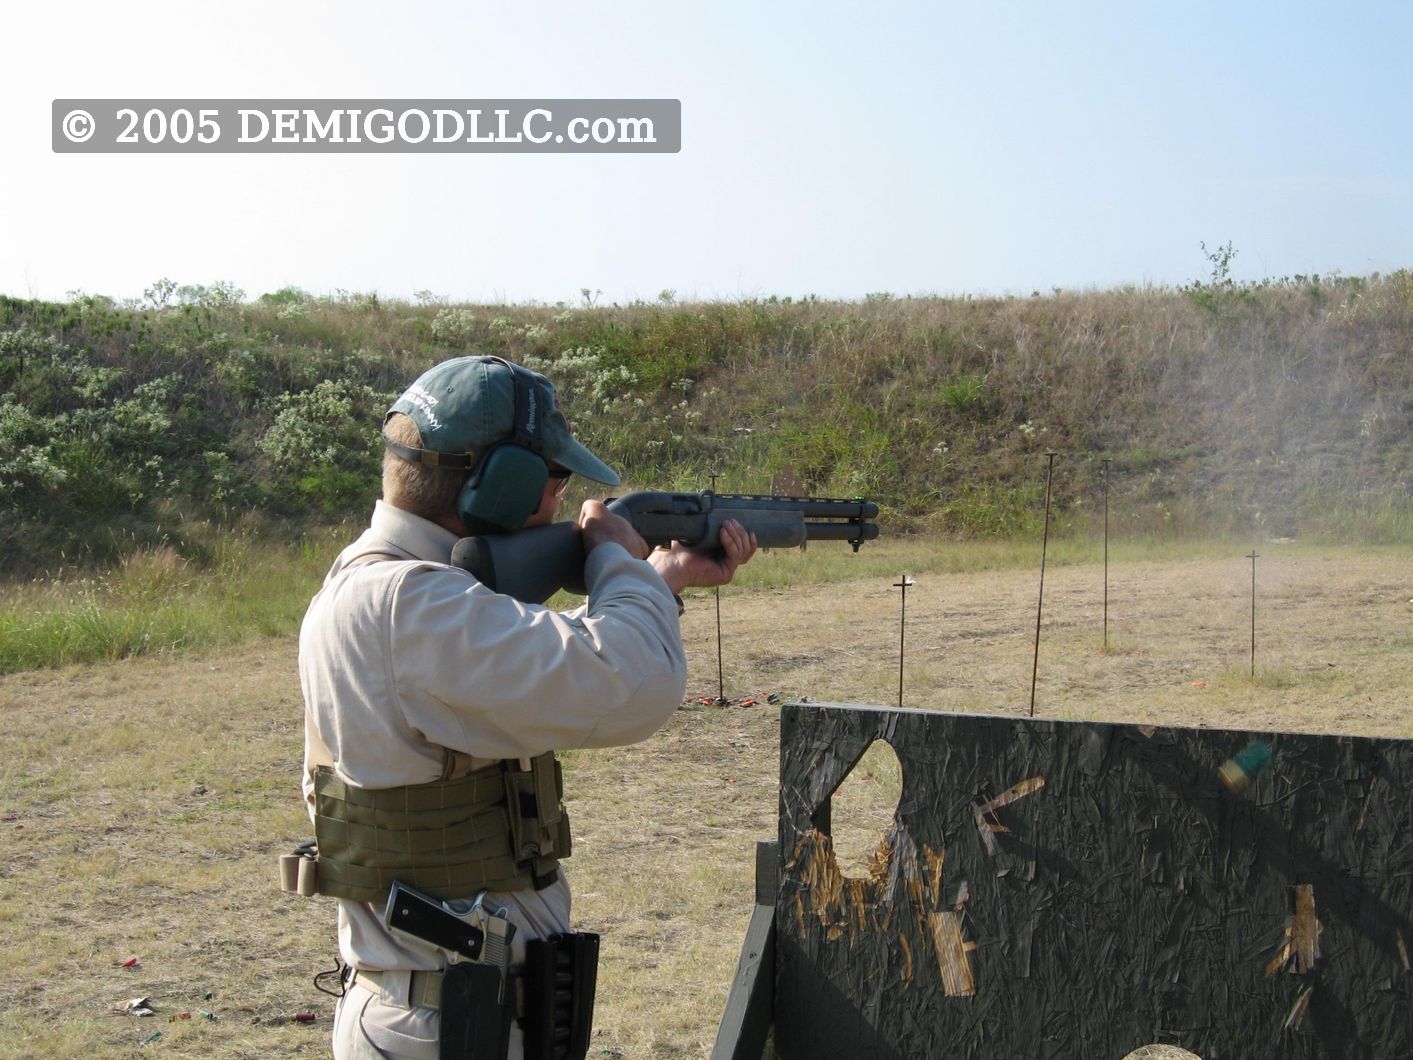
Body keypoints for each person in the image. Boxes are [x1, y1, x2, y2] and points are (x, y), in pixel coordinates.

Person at [290, 354, 756, 1059]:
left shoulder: (381, 585)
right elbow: (632, 684)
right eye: (553, 477)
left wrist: (656, 580)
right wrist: (614, 560)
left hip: (449, 1010)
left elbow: (540, 655)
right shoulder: (410, 603)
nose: (560, 500)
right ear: (501, 484)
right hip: (449, 1023)